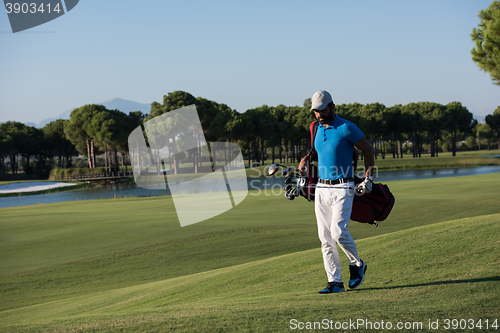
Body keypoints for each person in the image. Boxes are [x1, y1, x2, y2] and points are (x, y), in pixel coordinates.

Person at [298, 90, 375, 294]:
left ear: (332, 106)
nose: (319, 115)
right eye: (316, 111)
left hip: (343, 186)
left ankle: (357, 264)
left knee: (338, 232)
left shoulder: (346, 127)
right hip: (321, 188)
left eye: (323, 110)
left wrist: (369, 178)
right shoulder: (315, 127)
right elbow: (317, 151)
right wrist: (306, 158)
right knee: (325, 237)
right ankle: (335, 282)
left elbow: (367, 149)